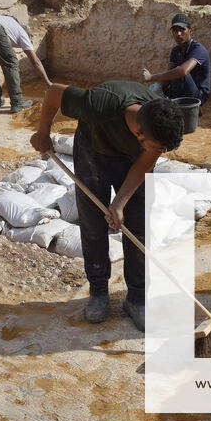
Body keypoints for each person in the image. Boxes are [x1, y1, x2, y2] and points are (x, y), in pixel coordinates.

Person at [30, 81, 185, 331]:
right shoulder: (99, 103)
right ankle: (98, 292)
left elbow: (144, 163)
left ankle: (136, 298)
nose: (160, 152)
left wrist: (120, 203)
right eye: (157, 147)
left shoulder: (160, 126)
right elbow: (54, 92)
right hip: (93, 150)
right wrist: (43, 132)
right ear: (139, 133)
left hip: (131, 159)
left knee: (138, 225)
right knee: (92, 224)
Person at [0, 15, 49, 113]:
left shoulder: (9, 23)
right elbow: (35, 61)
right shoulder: (22, 34)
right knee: (11, 63)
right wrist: (47, 82)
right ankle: (17, 102)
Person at [141, 12, 211, 106]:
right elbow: (169, 76)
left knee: (179, 71)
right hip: (181, 90)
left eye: (182, 30)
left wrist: (151, 77)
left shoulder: (198, 49)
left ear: (190, 31)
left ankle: (188, 106)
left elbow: (182, 72)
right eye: (175, 30)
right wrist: (157, 88)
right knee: (161, 88)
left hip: (198, 95)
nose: (178, 34)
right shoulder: (175, 51)